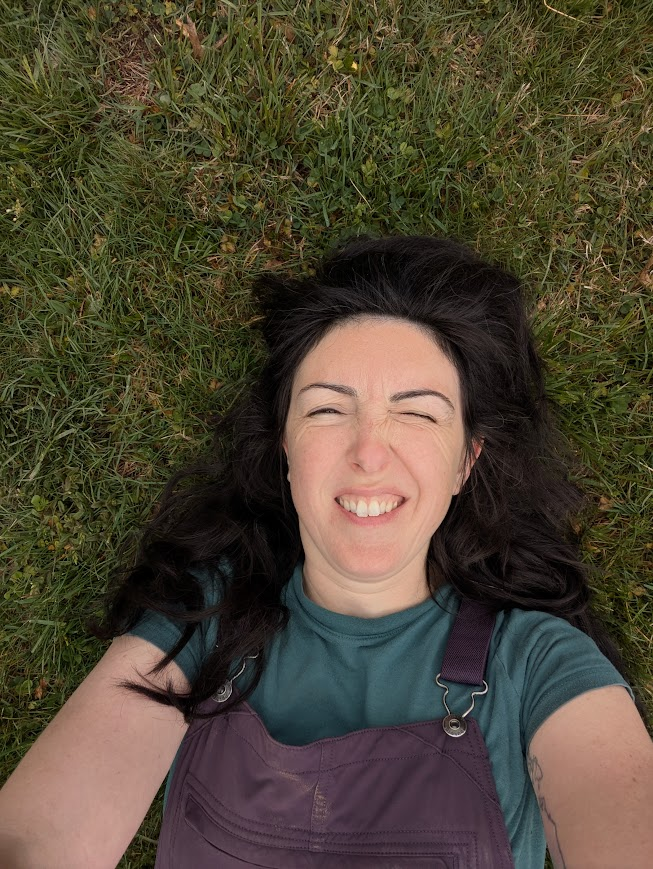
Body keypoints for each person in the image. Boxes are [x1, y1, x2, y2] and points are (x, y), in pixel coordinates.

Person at [1, 234, 651, 868]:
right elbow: (32, 842)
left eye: (418, 414)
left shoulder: (538, 665)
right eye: (326, 410)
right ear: (283, 444)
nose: (369, 450)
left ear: (466, 460)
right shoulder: (202, 620)